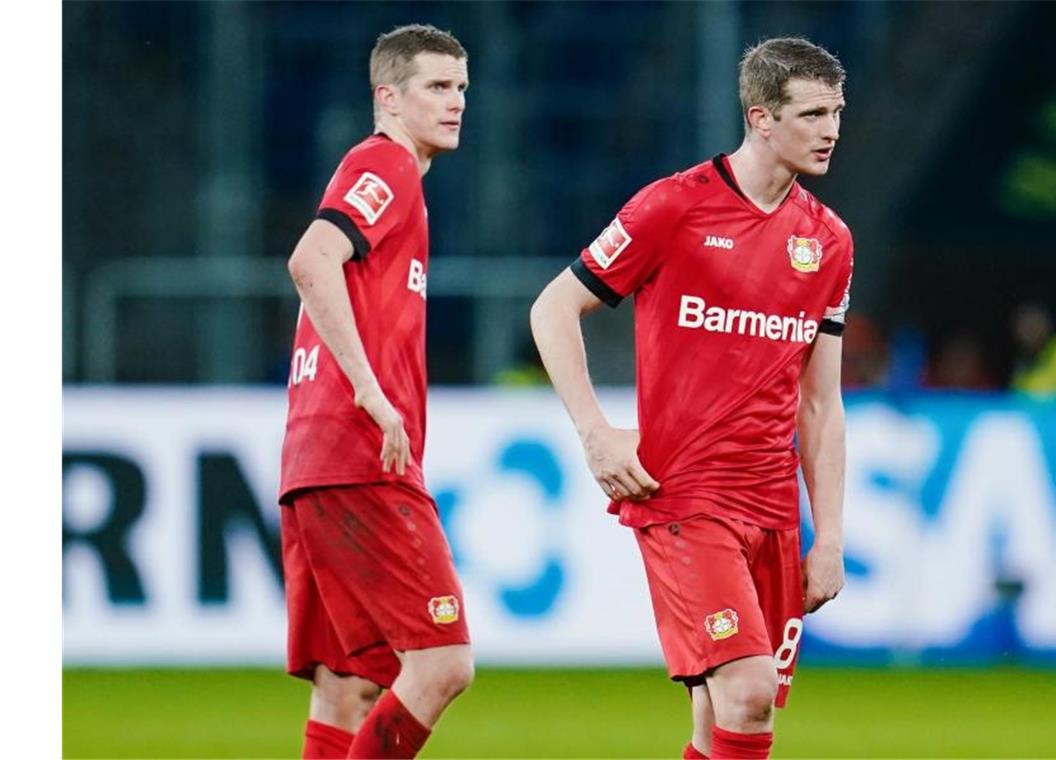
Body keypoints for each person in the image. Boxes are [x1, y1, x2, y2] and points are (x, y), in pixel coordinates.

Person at [531, 37, 852, 760]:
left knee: (722, 721)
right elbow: (552, 308)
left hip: (771, 508)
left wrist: (826, 535)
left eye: (836, 111)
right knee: (748, 690)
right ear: (761, 118)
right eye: (811, 113)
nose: (830, 129)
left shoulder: (828, 241)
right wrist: (595, 432)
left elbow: (821, 405)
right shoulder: (673, 207)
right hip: (683, 497)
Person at [278, 24, 472, 760]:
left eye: (460, 89)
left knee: (348, 681)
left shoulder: (396, 181)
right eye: (435, 87)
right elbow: (311, 258)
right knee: (443, 663)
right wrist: (368, 390)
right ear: (387, 98)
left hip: (313, 457)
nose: (454, 103)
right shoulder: (384, 165)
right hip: (358, 454)